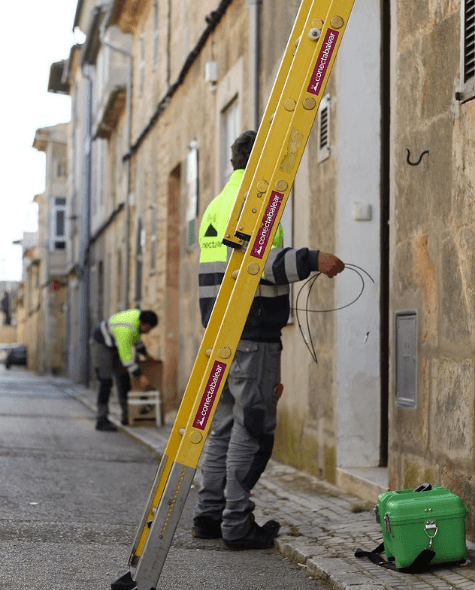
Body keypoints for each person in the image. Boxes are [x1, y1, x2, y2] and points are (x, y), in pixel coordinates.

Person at [192, 130, 345, 550]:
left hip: (221, 332)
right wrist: (314, 259)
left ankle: (209, 514)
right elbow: (257, 260)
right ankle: (237, 524)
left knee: (223, 427)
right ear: (264, 159)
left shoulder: (219, 202)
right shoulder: (253, 199)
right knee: (253, 428)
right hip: (251, 332)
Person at [91, 309, 158, 431]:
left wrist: (147, 356)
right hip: (102, 342)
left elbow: (136, 340)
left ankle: (127, 416)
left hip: (116, 343)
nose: (149, 332)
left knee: (124, 378)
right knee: (106, 381)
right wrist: (140, 376)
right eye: (149, 328)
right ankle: (102, 420)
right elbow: (126, 360)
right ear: (143, 324)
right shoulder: (126, 330)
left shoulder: (137, 321)